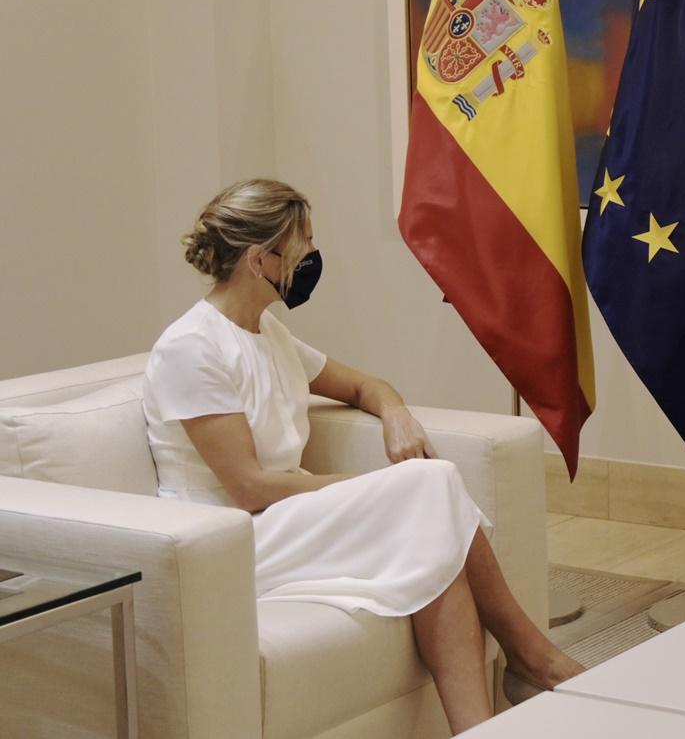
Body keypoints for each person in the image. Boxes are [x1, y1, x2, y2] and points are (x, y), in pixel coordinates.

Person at [143, 178, 581, 734]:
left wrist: (395, 412)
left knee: (429, 527)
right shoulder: (193, 348)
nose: (311, 259)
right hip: (229, 540)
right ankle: (530, 657)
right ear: (259, 260)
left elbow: (363, 386)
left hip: (286, 518)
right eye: (302, 248)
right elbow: (248, 487)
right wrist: (364, 486)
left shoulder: (267, 333)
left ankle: (480, 723)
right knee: (428, 487)